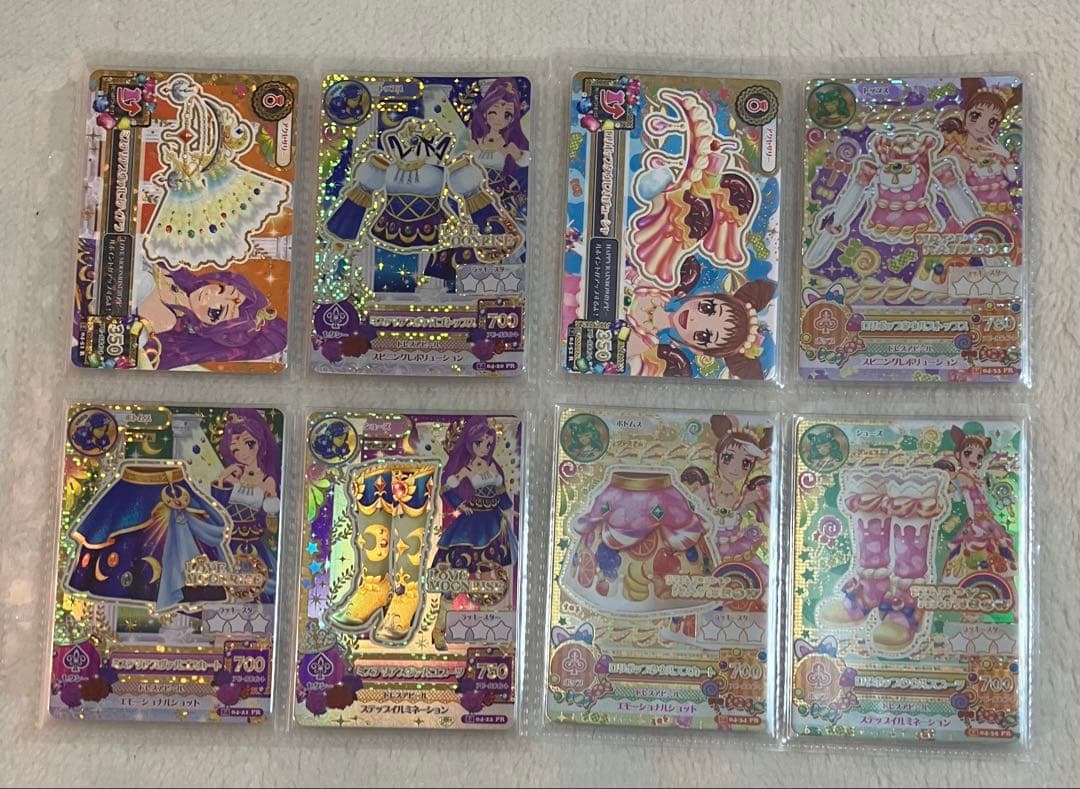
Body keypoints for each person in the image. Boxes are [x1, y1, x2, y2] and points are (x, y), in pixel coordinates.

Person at [625, 256, 776, 379]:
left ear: (697, 350)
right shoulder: (667, 273)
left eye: (704, 336)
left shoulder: (644, 350)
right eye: (707, 308)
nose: (694, 319)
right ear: (705, 295)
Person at [136, 265, 287, 369]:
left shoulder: (166, 320)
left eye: (216, 312)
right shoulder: (178, 275)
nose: (209, 297)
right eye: (221, 290)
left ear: (211, 329)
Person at [212, 409, 281, 601]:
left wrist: (269, 500)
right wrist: (222, 478)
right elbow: (216, 505)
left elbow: (272, 515)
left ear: (260, 444)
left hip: (253, 539)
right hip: (229, 537)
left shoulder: (267, 480)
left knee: (259, 584)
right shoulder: (234, 476)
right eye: (235, 449)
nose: (243, 454)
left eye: (249, 444)